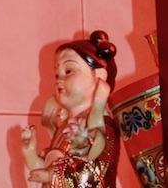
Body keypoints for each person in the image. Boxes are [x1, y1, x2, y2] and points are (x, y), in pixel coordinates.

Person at [20, 30, 121, 187]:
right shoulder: (65, 127)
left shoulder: (104, 125)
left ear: (99, 76)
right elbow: (46, 168)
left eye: (68, 71)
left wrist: (52, 176)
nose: (59, 80)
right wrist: (30, 153)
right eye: (56, 74)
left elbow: (97, 172)